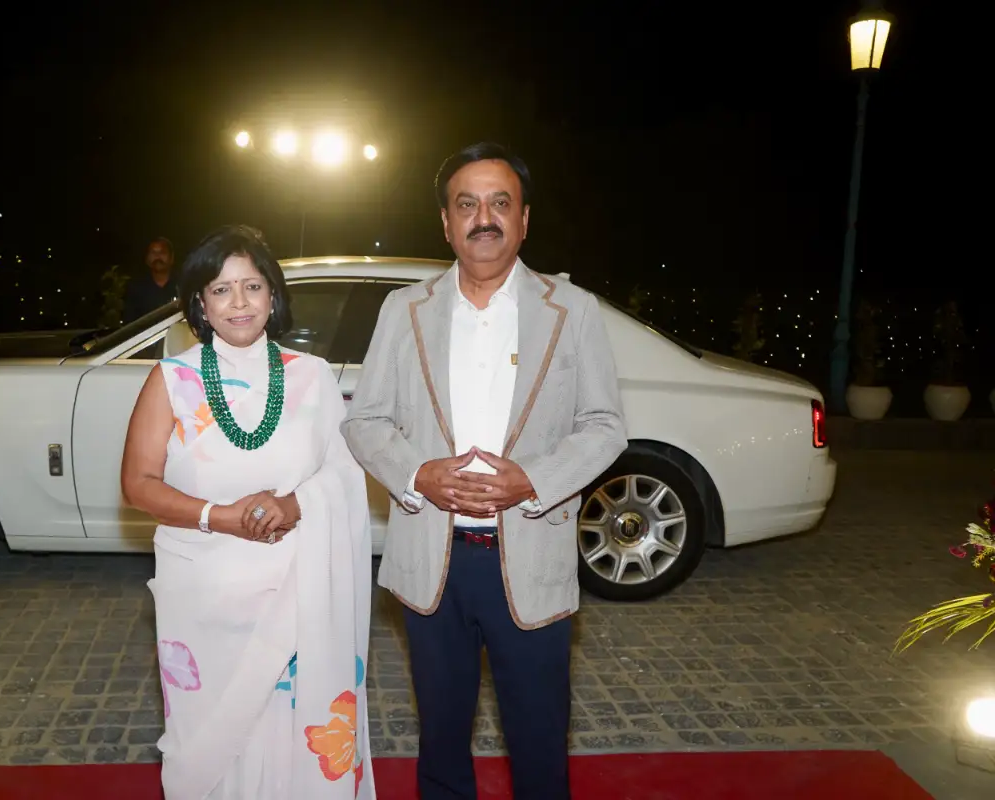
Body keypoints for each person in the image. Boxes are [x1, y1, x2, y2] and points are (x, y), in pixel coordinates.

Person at [341, 142, 628, 800]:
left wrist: (532, 480)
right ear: (446, 223)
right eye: (467, 204)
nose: (484, 218)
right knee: (440, 742)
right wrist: (419, 475)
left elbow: (605, 427)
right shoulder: (403, 309)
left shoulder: (572, 310)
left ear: (524, 220)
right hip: (432, 561)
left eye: (501, 203)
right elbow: (365, 421)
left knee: (539, 742)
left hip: (529, 557)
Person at [121, 225, 375, 800]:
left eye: (252, 286)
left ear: (273, 296)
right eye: (221, 289)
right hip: (205, 597)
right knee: (211, 740)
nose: (239, 302)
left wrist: (294, 504)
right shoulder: (172, 380)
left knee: (293, 729)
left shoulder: (312, 374)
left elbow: (345, 472)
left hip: (298, 587)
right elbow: (138, 484)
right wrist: (220, 516)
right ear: (200, 304)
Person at [123, 237, 178, 323]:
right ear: (147, 259)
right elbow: (130, 323)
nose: (158, 256)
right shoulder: (136, 289)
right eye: (153, 252)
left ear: (172, 258)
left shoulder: (184, 285)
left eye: (162, 252)